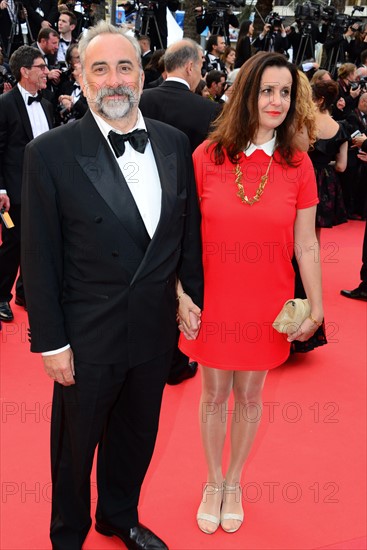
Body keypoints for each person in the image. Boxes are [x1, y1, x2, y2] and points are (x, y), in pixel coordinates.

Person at [21, 21, 203, 550]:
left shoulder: (172, 143)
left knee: (136, 437)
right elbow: (39, 256)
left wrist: (187, 289)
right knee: (74, 450)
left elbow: (184, 231)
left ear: (143, 75)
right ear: (80, 76)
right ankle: (69, 534)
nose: (114, 79)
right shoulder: (50, 154)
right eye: (99, 68)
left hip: (151, 332)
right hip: (87, 336)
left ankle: (119, 516)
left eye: (125, 66)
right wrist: (51, 342)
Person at [179, 51, 323, 535]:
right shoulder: (207, 157)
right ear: (247, 94)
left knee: (251, 393)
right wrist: (181, 295)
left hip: (267, 300)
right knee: (214, 392)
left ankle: (235, 481)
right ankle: (212, 480)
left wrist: (317, 306)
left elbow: (306, 242)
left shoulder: (299, 165)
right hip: (216, 297)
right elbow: (180, 235)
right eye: (267, 90)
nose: (276, 100)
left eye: (285, 91)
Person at [0, 45, 53, 323]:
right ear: (24, 71)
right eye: (40, 67)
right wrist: (1, 189)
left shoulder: (46, 103)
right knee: (12, 241)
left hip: (42, 191)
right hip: (11, 194)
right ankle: (0, 296)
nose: (46, 72)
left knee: (37, 244)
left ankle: (24, 292)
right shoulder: (4, 104)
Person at [309, 79, 348, 229]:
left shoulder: (305, 122)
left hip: (302, 177)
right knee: (315, 232)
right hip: (326, 182)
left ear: (319, 100)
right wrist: (325, 164)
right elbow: (341, 166)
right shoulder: (341, 128)